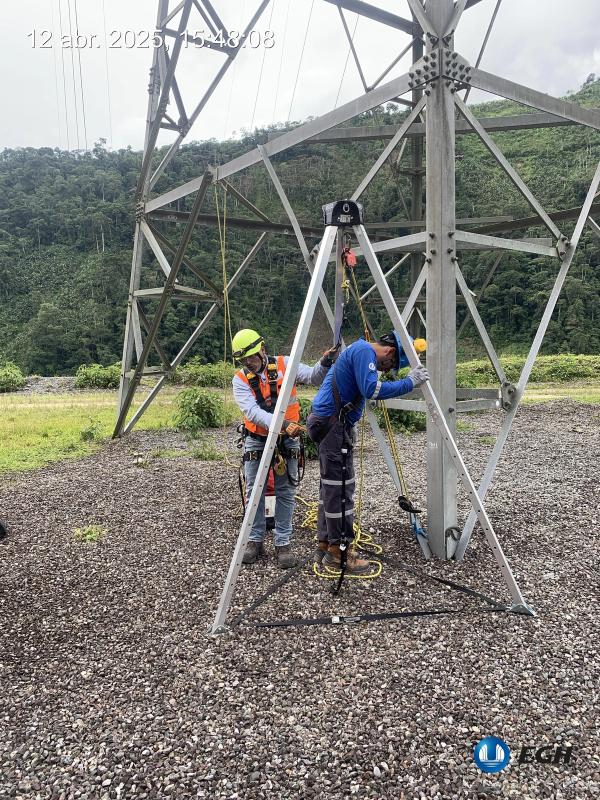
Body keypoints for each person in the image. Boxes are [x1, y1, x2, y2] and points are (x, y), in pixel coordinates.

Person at [307, 331, 429, 575]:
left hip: (329, 424)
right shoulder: (364, 352)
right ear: (390, 352)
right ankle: (339, 552)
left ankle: (325, 542)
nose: (384, 371)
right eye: (389, 366)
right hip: (333, 426)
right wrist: (410, 382)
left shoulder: (358, 351)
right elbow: (371, 389)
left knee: (331, 487)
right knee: (341, 490)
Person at [231, 328, 339, 569]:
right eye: (244, 359)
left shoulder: (284, 364)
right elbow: (252, 412)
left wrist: (324, 362)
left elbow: (313, 376)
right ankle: (255, 539)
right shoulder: (239, 380)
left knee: (286, 491)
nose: (249, 363)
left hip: (287, 442)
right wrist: (283, 424)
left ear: (262, 349)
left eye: (251, 357)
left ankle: (282, 543)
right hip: (257, 439)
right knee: (254, 490)